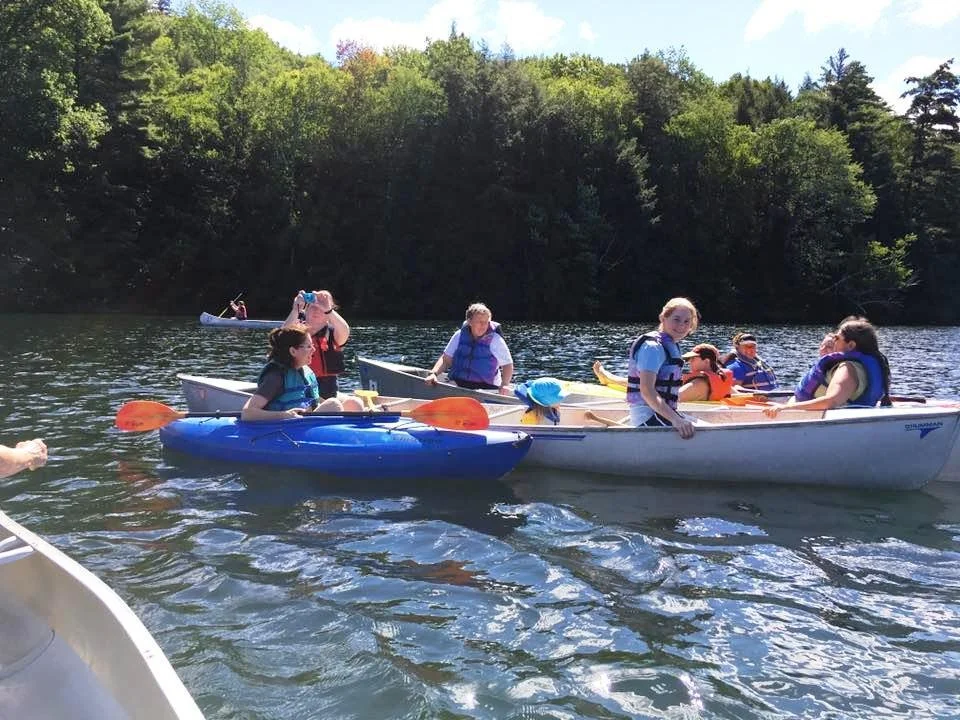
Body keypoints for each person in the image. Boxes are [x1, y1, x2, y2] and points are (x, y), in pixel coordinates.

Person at [763, 316, 892, 417]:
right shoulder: (863, 365)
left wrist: (786, 408)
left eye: (837, 338)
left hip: (812, 419)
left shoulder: (847, 368)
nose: (833, 341)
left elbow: (831, 401)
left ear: (851, 345)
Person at [241, 326, 353, 421]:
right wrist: (284, 415)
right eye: (309, 346)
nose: (313, 350)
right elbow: (247, 413)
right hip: (285, 429)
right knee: (333, 404)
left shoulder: (306, 371)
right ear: (293, 351)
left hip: (304, 423)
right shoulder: (276, 376)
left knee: (352, 403)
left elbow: (312, 400)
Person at [625, 297, 698, 438]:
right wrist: (676, 420)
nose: (682, 326)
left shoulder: (670, 344)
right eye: (676, 319)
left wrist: (676, 418)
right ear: (663, 318)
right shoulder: (653, 348)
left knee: (700, 425)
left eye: (687, 321)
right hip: (646, 419)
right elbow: (647, 390)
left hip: (662, 415)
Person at [425, 303, 514, 396]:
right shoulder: (459, 335)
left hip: (487, 388)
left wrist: (504, 384)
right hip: (459, 383)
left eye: (486, 322)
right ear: (469, 322)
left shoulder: (495, 340)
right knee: (447, 386)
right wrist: (433, 374)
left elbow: (507, 365)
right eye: (479, 321)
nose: (483, 325)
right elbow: (446, 360)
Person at [283, 289, 350, 400]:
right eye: (314, 306)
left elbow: (345, 331)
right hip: (297, 384)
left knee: (354, 402)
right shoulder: (295, 331)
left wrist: (328, 310)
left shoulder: (334, 333)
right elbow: (281, 339)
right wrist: (295, 310)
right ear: (306, 310)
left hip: (326, 390)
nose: (317, 310)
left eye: (322, 307)